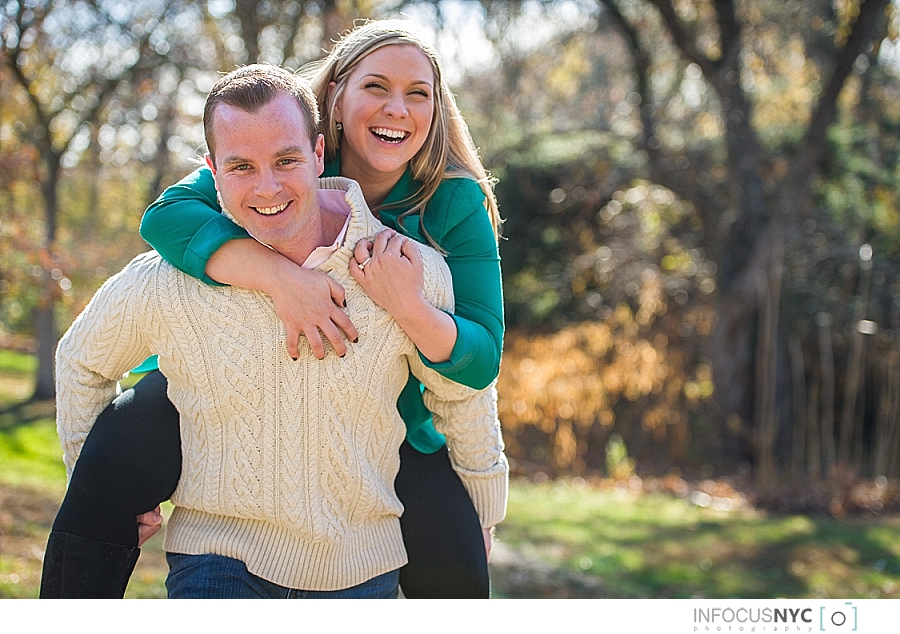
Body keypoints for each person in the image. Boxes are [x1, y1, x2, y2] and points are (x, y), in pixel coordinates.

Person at [41, 19, 503, 599]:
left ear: (313, 154)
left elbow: (478, 365)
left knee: (458, 558)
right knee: (128, 429)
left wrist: (406, 305)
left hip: (398, 426)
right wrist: (280, 279)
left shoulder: (447, 208)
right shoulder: (266, 139)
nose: (397, 109)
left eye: (418, 93)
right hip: (221, 514)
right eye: (376, 87)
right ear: (334, 102)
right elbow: (163, 218)